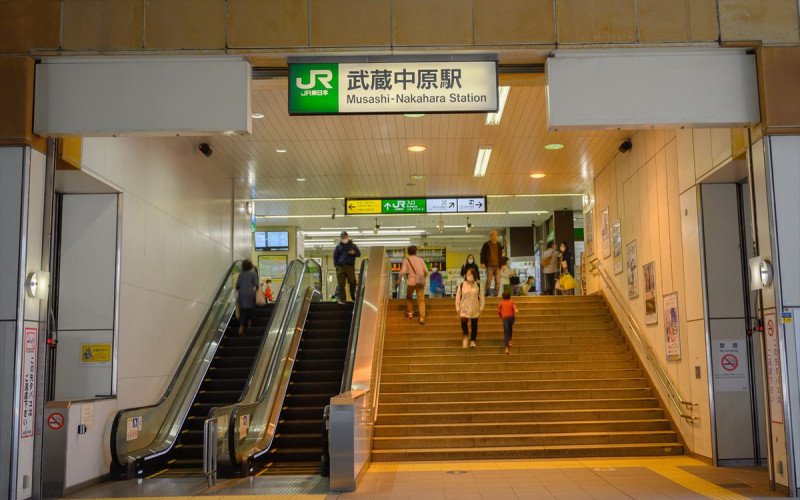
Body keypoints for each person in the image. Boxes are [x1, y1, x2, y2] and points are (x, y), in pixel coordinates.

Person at [397, 245, 429, 324]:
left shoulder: (406, 260)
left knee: (408, 297)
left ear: (408, 252)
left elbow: (402, 271)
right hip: (420, 282)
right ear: (416, 252)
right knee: (421, 299)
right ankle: (422, 317)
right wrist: (423, 277)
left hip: (411, 282)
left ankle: (410, 312)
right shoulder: (420, 260)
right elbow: (426, 271)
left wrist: (399, 279)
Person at [455, 268, 485, 348]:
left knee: (474, 325)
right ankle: (466, 335)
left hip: (474, 308)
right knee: (464, 323)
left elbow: (482, 298)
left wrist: (481, 308)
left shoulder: (478, 285)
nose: (469, 276)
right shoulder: (461, 285)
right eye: (468, 274)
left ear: (474, 275)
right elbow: (458, 298)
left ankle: (472, 340)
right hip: (464, 308)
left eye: (470, 274)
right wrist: (457, 308)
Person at [333, 231, 360, 304]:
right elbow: (335, 256)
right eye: (342, 238)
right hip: (340, 266)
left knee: (352, 282)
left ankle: (353, 298)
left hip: (349, 266)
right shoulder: (338, 246)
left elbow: (359, 254)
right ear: (341, 238)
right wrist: (335, 264)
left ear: (348, 237)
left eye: (345, 237)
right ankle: (342, 300)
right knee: (341, 283)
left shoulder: (353, 246)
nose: (344, 239)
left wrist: (354, 252)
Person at [236, 259, 259, 336]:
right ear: (250, 267)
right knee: (251, 309)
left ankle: (241, 326)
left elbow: (237, 286)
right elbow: (256, 284)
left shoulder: (241, 275)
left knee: (242, 312)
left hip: (242, 294)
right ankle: (249, 322)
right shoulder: (253, 274)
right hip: (250, 293)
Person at [479, 230, 504, 297]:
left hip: (498, 266)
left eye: (496, 235)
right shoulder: (487, 244)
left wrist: (503, 264)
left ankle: (496, 295)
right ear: (490, 236)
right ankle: (487, 293)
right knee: (489, 280)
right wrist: (482, 262)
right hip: (489, 265)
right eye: (493, 235)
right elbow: (482, 254)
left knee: (498, 281)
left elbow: (502, 255)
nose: (494, 236)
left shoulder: (499, 245)